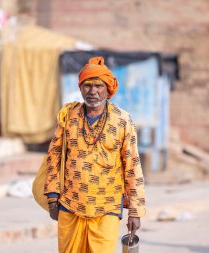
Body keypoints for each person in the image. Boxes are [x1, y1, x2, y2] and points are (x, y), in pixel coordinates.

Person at [44, 56, 146, 253]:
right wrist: (52, 196)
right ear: (80, 88)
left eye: (98, 85)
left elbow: (133, 167)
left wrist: (135, 210)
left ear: (108, 89)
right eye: (87, 85)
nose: (93, 91)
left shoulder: (122, 121)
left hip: (106, 207)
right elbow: (54, 156)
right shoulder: (68, 116)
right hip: (70, 204)